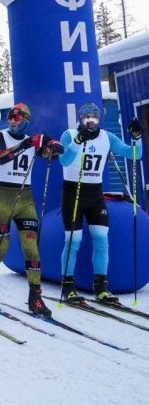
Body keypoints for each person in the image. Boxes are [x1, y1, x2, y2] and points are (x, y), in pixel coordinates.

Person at [57, 103, 143, 303]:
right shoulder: (69, 134)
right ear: (80, 118)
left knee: (101, 239)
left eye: (94, 117)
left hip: (95, 194)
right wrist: (78, 141)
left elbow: (135, 155)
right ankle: (68, 286)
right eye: (86, 117)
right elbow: (65, 160)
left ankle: (101, 287)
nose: (91, 120)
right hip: (73, 191)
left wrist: (137, 138)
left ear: (99, 119)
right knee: (73, 240)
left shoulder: (107, 137)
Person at [0, 103, 60, 316]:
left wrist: (53, 146)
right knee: (1, 246)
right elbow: (2, 157)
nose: (12, 120)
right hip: (1, 197)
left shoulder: (31, 141)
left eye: (17, 117)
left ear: (26, 120)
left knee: (31, 248)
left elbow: (53, 154)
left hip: (25, 197)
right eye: (10, 117)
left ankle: (35, 296)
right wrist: (29, 143)